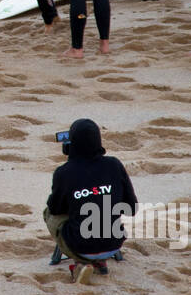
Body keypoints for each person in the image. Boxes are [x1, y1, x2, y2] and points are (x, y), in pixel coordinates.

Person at [43, 118, 137, 285]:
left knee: (49, 213)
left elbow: (55, 209)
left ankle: (81, 262)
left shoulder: (64, 173)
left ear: (71, 144)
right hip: (114, 243)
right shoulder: (114, 165)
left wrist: (78, 193)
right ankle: (100, 260)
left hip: (81, 246)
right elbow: (131, 208)